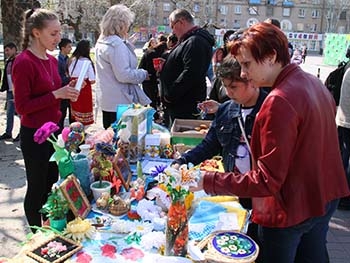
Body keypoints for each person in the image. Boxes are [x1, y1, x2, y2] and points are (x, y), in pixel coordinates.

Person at [190, 22, 350, 263]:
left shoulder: (279, 100)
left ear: (271, 57)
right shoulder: (311, 82)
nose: (243, 73)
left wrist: (207, 180)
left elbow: (266, 180)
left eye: (247, 64)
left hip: (292, 206)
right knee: (313, 254)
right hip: (322, 196)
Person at [12, 8, 80, 231]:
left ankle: (50, 227)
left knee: (51, 183)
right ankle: (35, 235)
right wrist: (56, 95)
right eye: (53, 34)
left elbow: (53, 94)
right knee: (37, 187)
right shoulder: (23, 62)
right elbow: (22, 107)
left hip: (54, 133)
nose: (58, 39)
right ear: (36, 33)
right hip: (34, 135)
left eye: (59, 33)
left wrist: (67, 92)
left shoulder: (51, 61)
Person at [95, 4, 151, 129]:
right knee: (123, 141)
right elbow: (123, 74)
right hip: (121, 102)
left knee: (110, 138)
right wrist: (143, 74)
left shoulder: (102, 41)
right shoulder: (116, 44)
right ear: (121, 24)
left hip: (108, 100)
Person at [159, 9, 215, 128]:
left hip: (184, 104)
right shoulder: (190, 40)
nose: (172, 31)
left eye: (173, 26)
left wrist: (170, 96)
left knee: (182, 139)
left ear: (182, 22)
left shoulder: (195, 41)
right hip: (180, 103)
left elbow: (191, 73)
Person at [68, 39, 95, 126]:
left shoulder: (71, 60)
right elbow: (92, 80)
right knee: (84, 108)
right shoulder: (87, 62)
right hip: (84, 87)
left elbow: (68, 73)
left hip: (72, 85)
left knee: (75, 107)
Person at [335, 64, 350, 210]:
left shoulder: (347, 69)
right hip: (347, 121)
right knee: (345, 160)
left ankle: (341, 193)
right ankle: (344, 195)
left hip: (344, 120)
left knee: (344, 157)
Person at [0, 42, 20, 142]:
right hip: (10, 91)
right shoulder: (9, 61)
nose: (6, 52)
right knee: (9, 113)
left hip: (18, 91)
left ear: (14, 49)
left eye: (8, 50)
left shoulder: (19, 60)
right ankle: (8, 132)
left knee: (21, 113)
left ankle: (22, 133)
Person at [57, 38, 73, 128]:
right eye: (69, 47)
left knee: (71, 112)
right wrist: (68, 79)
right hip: (62, 88)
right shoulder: (58, 60)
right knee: (62, 113)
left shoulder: (68, 59)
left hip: (69, 88)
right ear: (63, 48)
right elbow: (59, 76)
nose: (70, 49)